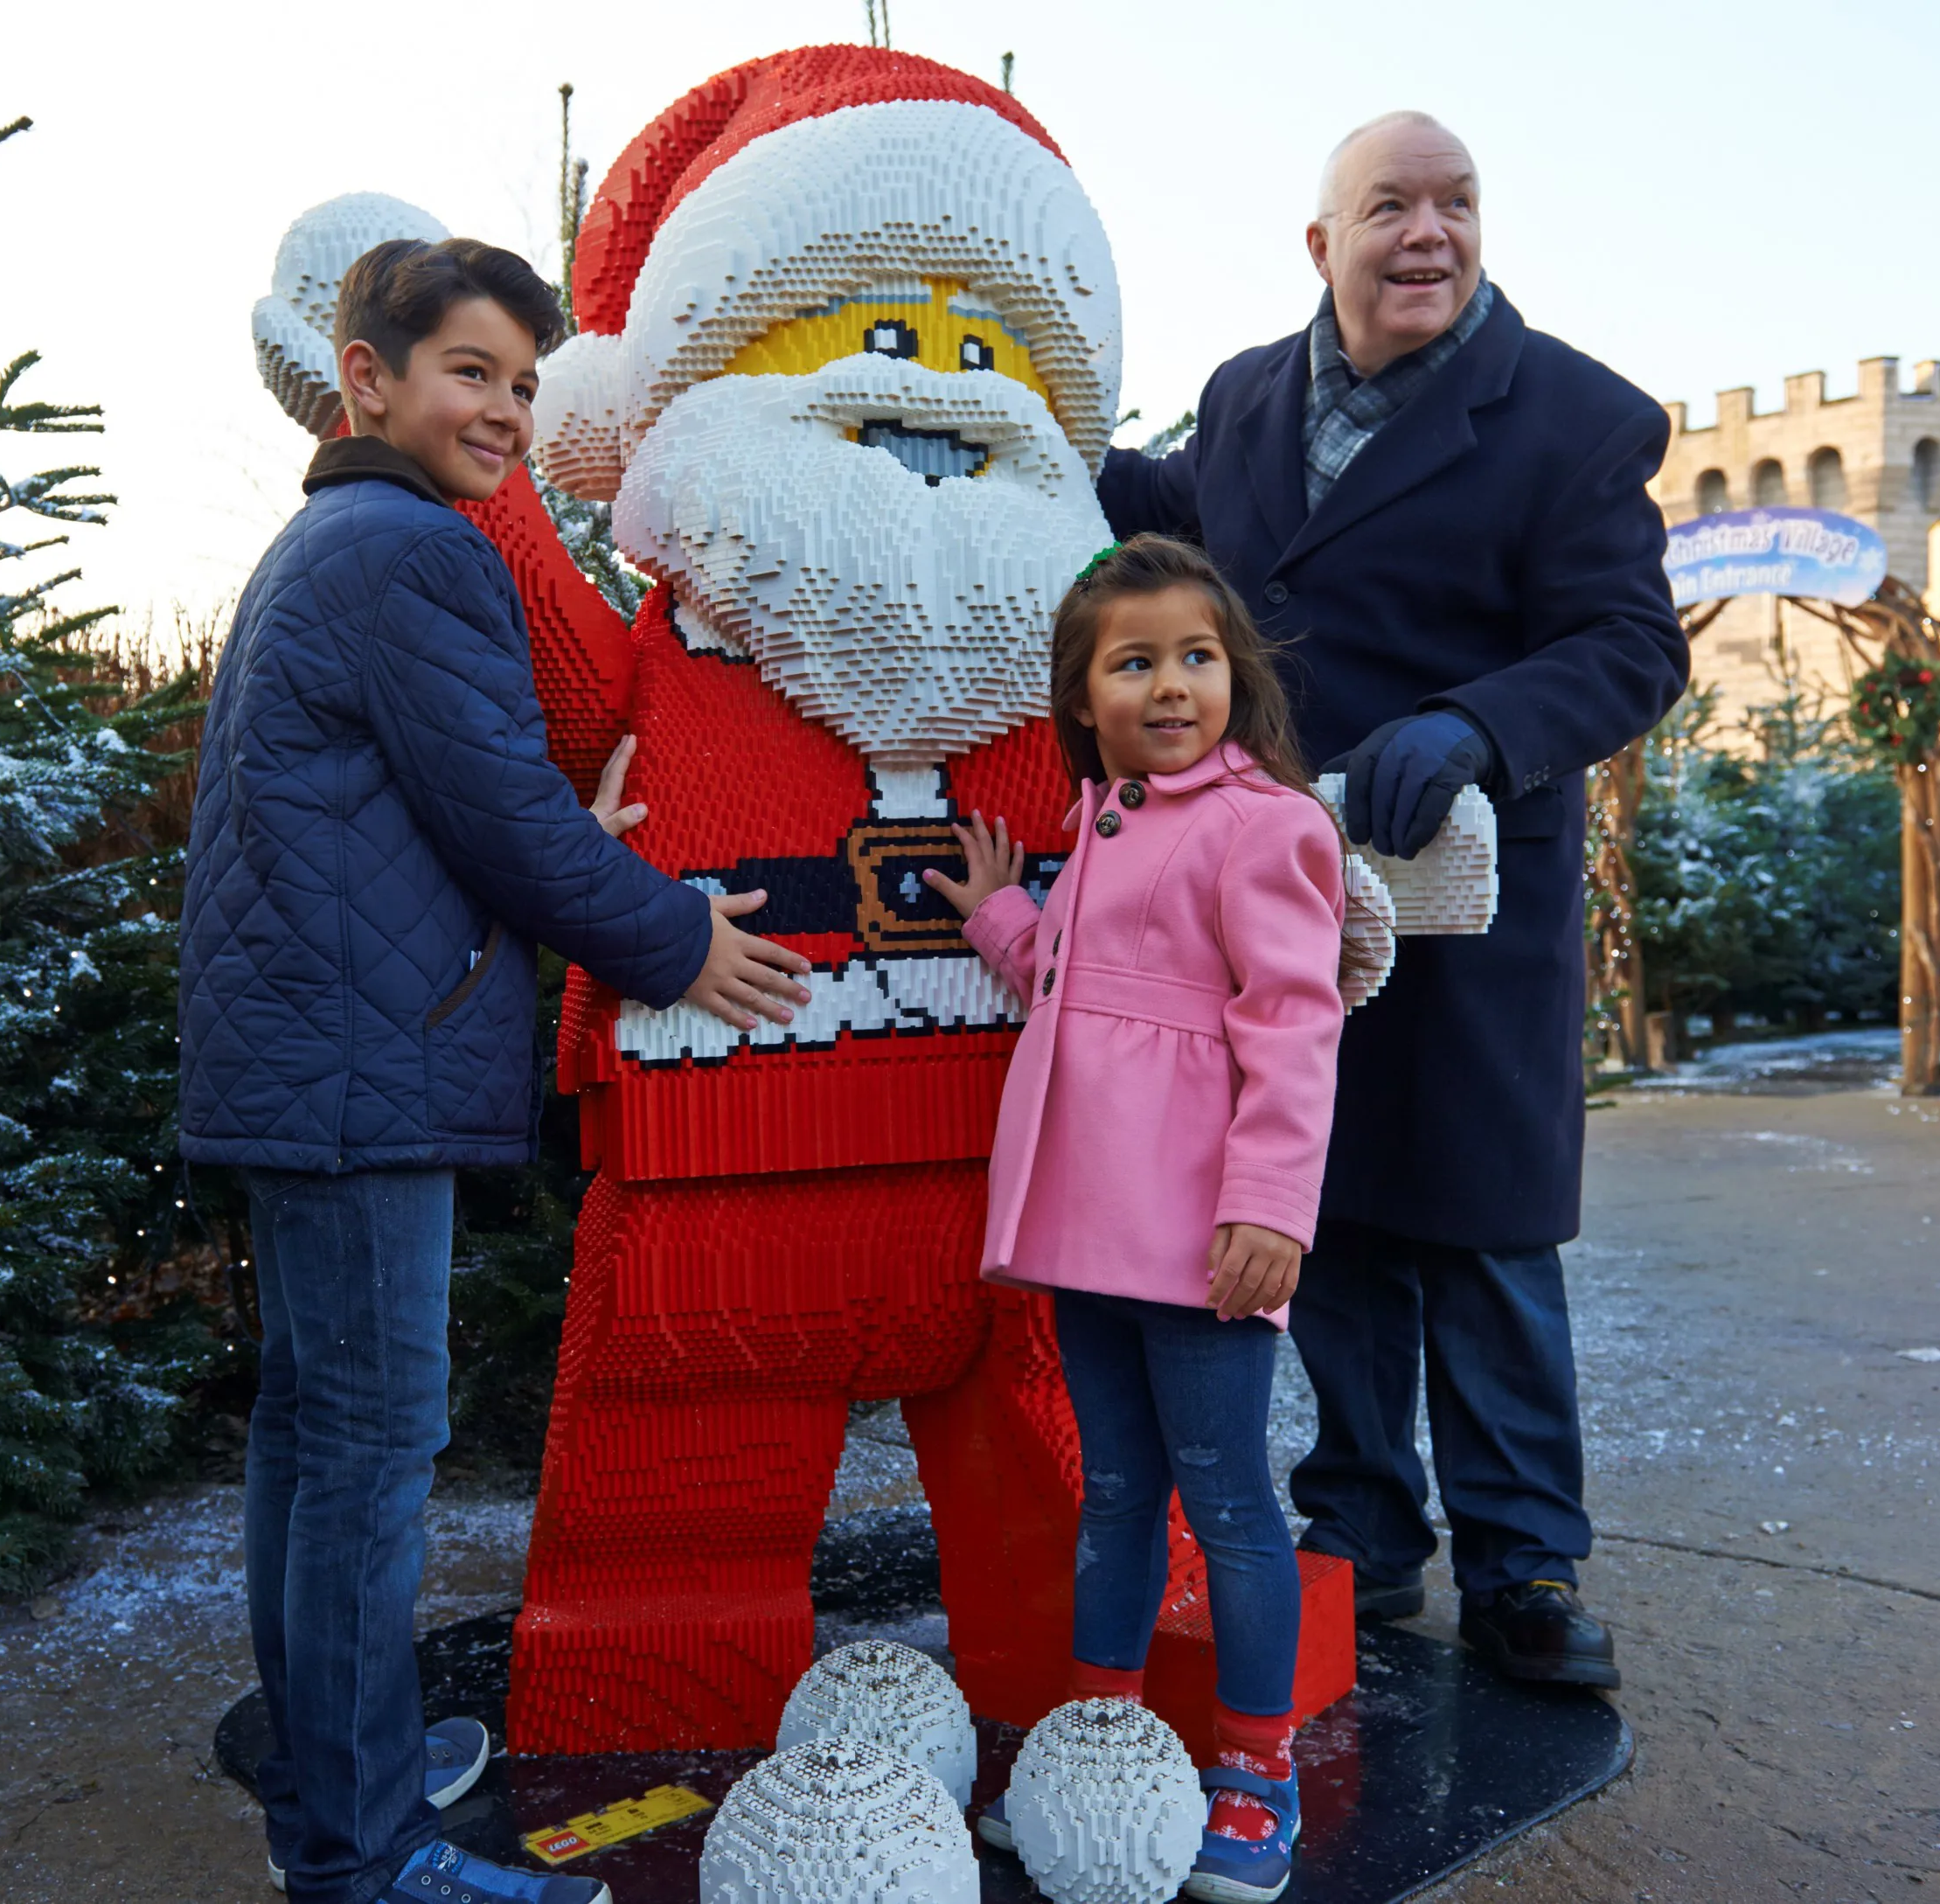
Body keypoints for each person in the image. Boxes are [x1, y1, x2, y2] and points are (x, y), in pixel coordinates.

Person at [176, 238, 812, 1904]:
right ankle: (370, 1852)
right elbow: (506, 815)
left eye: (526, 385)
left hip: (311, 1056)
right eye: (471, 372)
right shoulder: (413, 556)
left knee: (313, 1445)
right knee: (370, 1454)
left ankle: (338, 1779)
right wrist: (673, 935)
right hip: (354, 1071)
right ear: (367, 376)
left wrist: (539, 848)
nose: (507, 412)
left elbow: (414, 808)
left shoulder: (332, 541)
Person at [1097, 113, 1686, 1691]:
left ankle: (1524, 1561)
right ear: (1322, 245)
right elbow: (1160, 518)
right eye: (1389, 208)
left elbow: (1631, 646)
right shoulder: (1241, 399)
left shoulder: (1566, 416)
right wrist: (1035, 438)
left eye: (1454, 205)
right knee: (1334, 1212)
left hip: (1469, 893)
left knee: (1484, 1227)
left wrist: (1482, 725)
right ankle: (1361, 1525)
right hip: (1284, 894)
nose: (1426, 235)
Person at [926, 536, 1364, 1904]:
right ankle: (1098, 1741)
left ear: (1232, 671)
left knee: (1229, 1499)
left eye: (1194, 656)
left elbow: (1292, 1029)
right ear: (1083, 695)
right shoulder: (1102, 817)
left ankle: (1256, 1764)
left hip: (1198, 1233)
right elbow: (1082, 981)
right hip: (1087, 1228)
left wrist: (1269, 1208)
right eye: (1133, 662)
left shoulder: (1265, 824)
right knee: (1115, 1490)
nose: (1169, 685)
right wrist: (1004, 912)